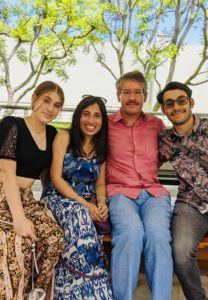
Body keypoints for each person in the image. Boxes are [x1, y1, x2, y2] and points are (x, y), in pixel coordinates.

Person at [106, 71, 173, 300]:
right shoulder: (106, 125)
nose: (132, 97)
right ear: (118, 95)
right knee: (131, 233)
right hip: (120, 193)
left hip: (154, 194)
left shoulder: (156, 124)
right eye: (127, 92)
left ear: (145, 95)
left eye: (137, 92)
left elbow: (170, 153)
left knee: (158, 236)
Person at [41, 95, 113, 299]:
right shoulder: (64, 136)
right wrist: (84, 204)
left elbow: (100, 183)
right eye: (86, 114)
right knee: (81, 215)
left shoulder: (102, 146)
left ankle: (91, 289)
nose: (91, 120)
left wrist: (100, 202)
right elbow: (55, 177)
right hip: (58, 198)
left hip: (87, 202)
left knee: (93, 222)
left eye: (97, 116)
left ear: (103, 120)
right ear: (78, 116)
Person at [0, 81, 65, 299]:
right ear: (34, 98)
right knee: (18, 245)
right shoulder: (12, 124)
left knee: (55, 238)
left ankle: (35, 292)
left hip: (26, 199)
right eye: (47, 100)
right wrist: (19, 219)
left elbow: (48, 177)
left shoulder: (53, 134)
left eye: (57, 105)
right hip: (3, 195)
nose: (51, 108)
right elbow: (7, 173)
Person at [157, 81, 208, 300]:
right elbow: (139, 164)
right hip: (191, 204)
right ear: (164, 110)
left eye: (181, 101)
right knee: (179, 253)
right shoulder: (164, 141)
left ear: (191, 102)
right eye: (170, 103)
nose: (176, 107)